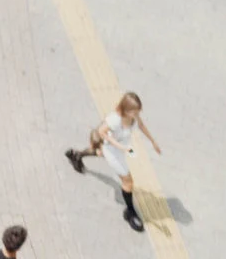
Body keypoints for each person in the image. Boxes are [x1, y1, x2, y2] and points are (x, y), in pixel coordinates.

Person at [65, 94, 158, 233]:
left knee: (99, 153)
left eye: (138, 112)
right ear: (125, 109)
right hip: (113, 152)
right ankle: (130, 213)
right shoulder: (115, 120)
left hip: (121, 149)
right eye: (134, 112)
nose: (137, 115)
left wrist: (153, 141)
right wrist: (120, 147)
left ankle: (77, 155)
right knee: (128, 182)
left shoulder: (133, 116)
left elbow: (141, 125)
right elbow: (101, 132)